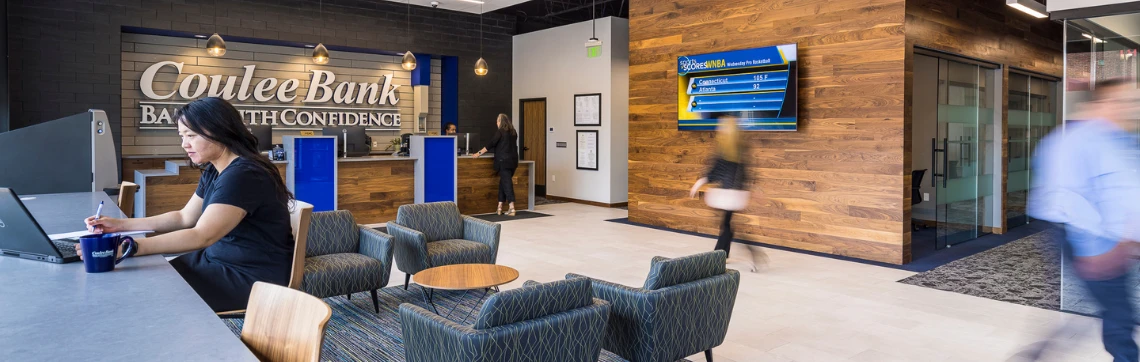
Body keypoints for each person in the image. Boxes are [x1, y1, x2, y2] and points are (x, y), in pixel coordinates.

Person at [82, 97, 295, 312]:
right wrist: (120, 226)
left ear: (220, 131)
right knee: (141, 278)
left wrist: (129, 247)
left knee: (142, 292)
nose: (185, 144)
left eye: (191, 135)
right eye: (182, 136)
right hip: (216, 261)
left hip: (250, 277)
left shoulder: (244, 174)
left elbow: (202, 236)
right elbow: (184, 217)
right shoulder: (215, 168)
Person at [1029, 78, 1140, 362]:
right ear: (1101, 102)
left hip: (1114, 241)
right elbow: (1066, 202)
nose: (1132, 108)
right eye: (1124, 101)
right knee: (1118, 313)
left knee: (1113, 310)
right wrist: (1094, 250)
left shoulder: (1120, 138)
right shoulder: (1074, 140)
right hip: (1092, 239)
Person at [689, 116, 766, 272]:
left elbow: (715, 172)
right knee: (727, 224)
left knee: (726, 226)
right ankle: (723, 255)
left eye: (721, 126)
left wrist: (698, 183)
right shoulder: (742, 147)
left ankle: (720, 256)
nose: (718, 129)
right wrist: (753, 188)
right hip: (738, 195)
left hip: (725, 195)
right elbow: (746, 171)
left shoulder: (723, 149)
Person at [472, 113, 520, 216]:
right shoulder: (513, 132)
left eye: (497, 120)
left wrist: (478, 153)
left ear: (500, 122)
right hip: (513, 161)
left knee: (507, 184)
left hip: (503, 161)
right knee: (503, 183)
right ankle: (499, 207)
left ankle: (512, 208)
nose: (496, 122)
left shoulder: (500, 132)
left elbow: (491, 144)